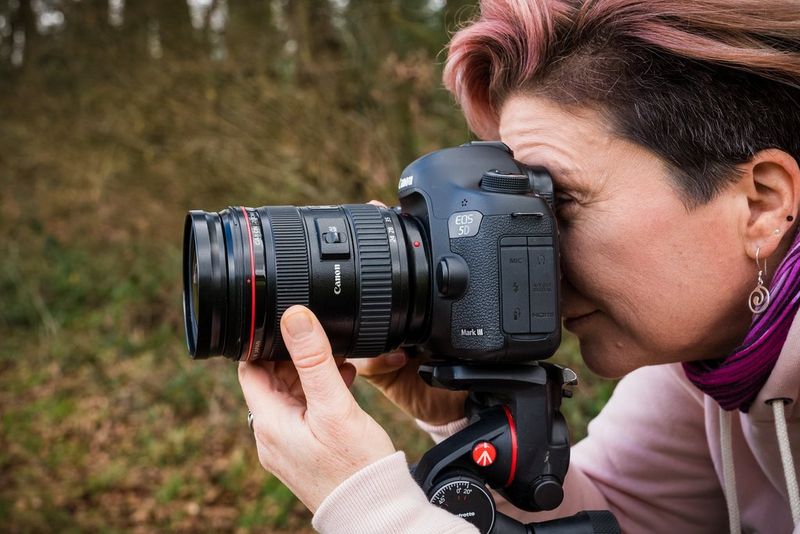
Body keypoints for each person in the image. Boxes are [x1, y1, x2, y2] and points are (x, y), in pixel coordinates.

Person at [237, 0, 800, 532]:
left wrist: (371, 506)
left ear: (761, 204)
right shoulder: (704, 365)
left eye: (560, 202)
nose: (535, 255)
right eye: (521, 200)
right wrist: (475, 421)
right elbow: (614, 518)